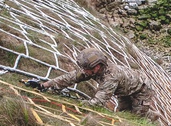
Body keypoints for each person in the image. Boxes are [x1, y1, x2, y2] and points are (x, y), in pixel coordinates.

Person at [29, 49, 157, 119]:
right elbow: (70, 78)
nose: (84, 71)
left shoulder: (111, 78)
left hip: (142, 90)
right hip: (124, 89)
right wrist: (45, 85)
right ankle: (147, 113)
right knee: (123, 113)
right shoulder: (91, 70)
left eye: (87, 68)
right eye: (83, 68)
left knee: (136, 118)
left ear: (98, 66)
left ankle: (151, 116)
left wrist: (76, 106)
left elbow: (98, 102)